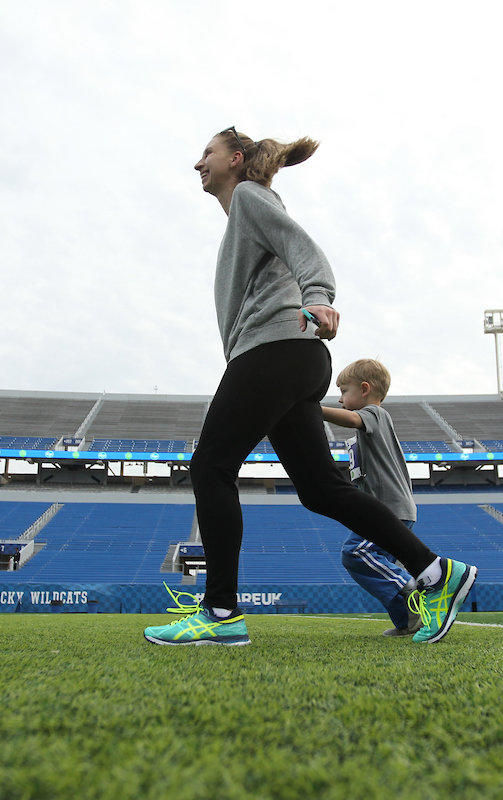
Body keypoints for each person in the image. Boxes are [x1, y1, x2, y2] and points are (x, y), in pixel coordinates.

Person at [143, 127, 478, 646]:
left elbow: (306, 251)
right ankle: (435, 573)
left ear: (235, 159)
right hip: (293, 359)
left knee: (210, 467)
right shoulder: (245, 217)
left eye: (206, 153)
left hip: (273, 351)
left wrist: (319, 296)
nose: (197, 164)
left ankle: (220, 613)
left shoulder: (252, 198)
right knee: (321, 489)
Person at [322, 358, 421, 636]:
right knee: (374, 562)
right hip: (387, 509)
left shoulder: (375, 414)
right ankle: (408, 623)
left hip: (390, 509)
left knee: (355, 553)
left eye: (344, 391)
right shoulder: (369, 425)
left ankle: (409, 589)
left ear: (364, 389)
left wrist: (314, 410)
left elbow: (353, 418)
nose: (341, 400)